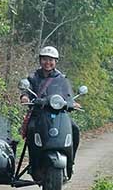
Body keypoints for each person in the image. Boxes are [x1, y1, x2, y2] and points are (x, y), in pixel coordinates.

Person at [19, 46, 80, 174]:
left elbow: (68, 94)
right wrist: (25, 97)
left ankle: (70, 162)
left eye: (51, 60)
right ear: (40, 60)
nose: (48, 62)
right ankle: (34, 163)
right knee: (31, 129)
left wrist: (72, 102)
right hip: (39, 114)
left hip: (59, 114)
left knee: (74, 129)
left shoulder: (62, 78)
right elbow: (27, 90)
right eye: (45, 59)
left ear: (55, 61)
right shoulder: (33, 77)